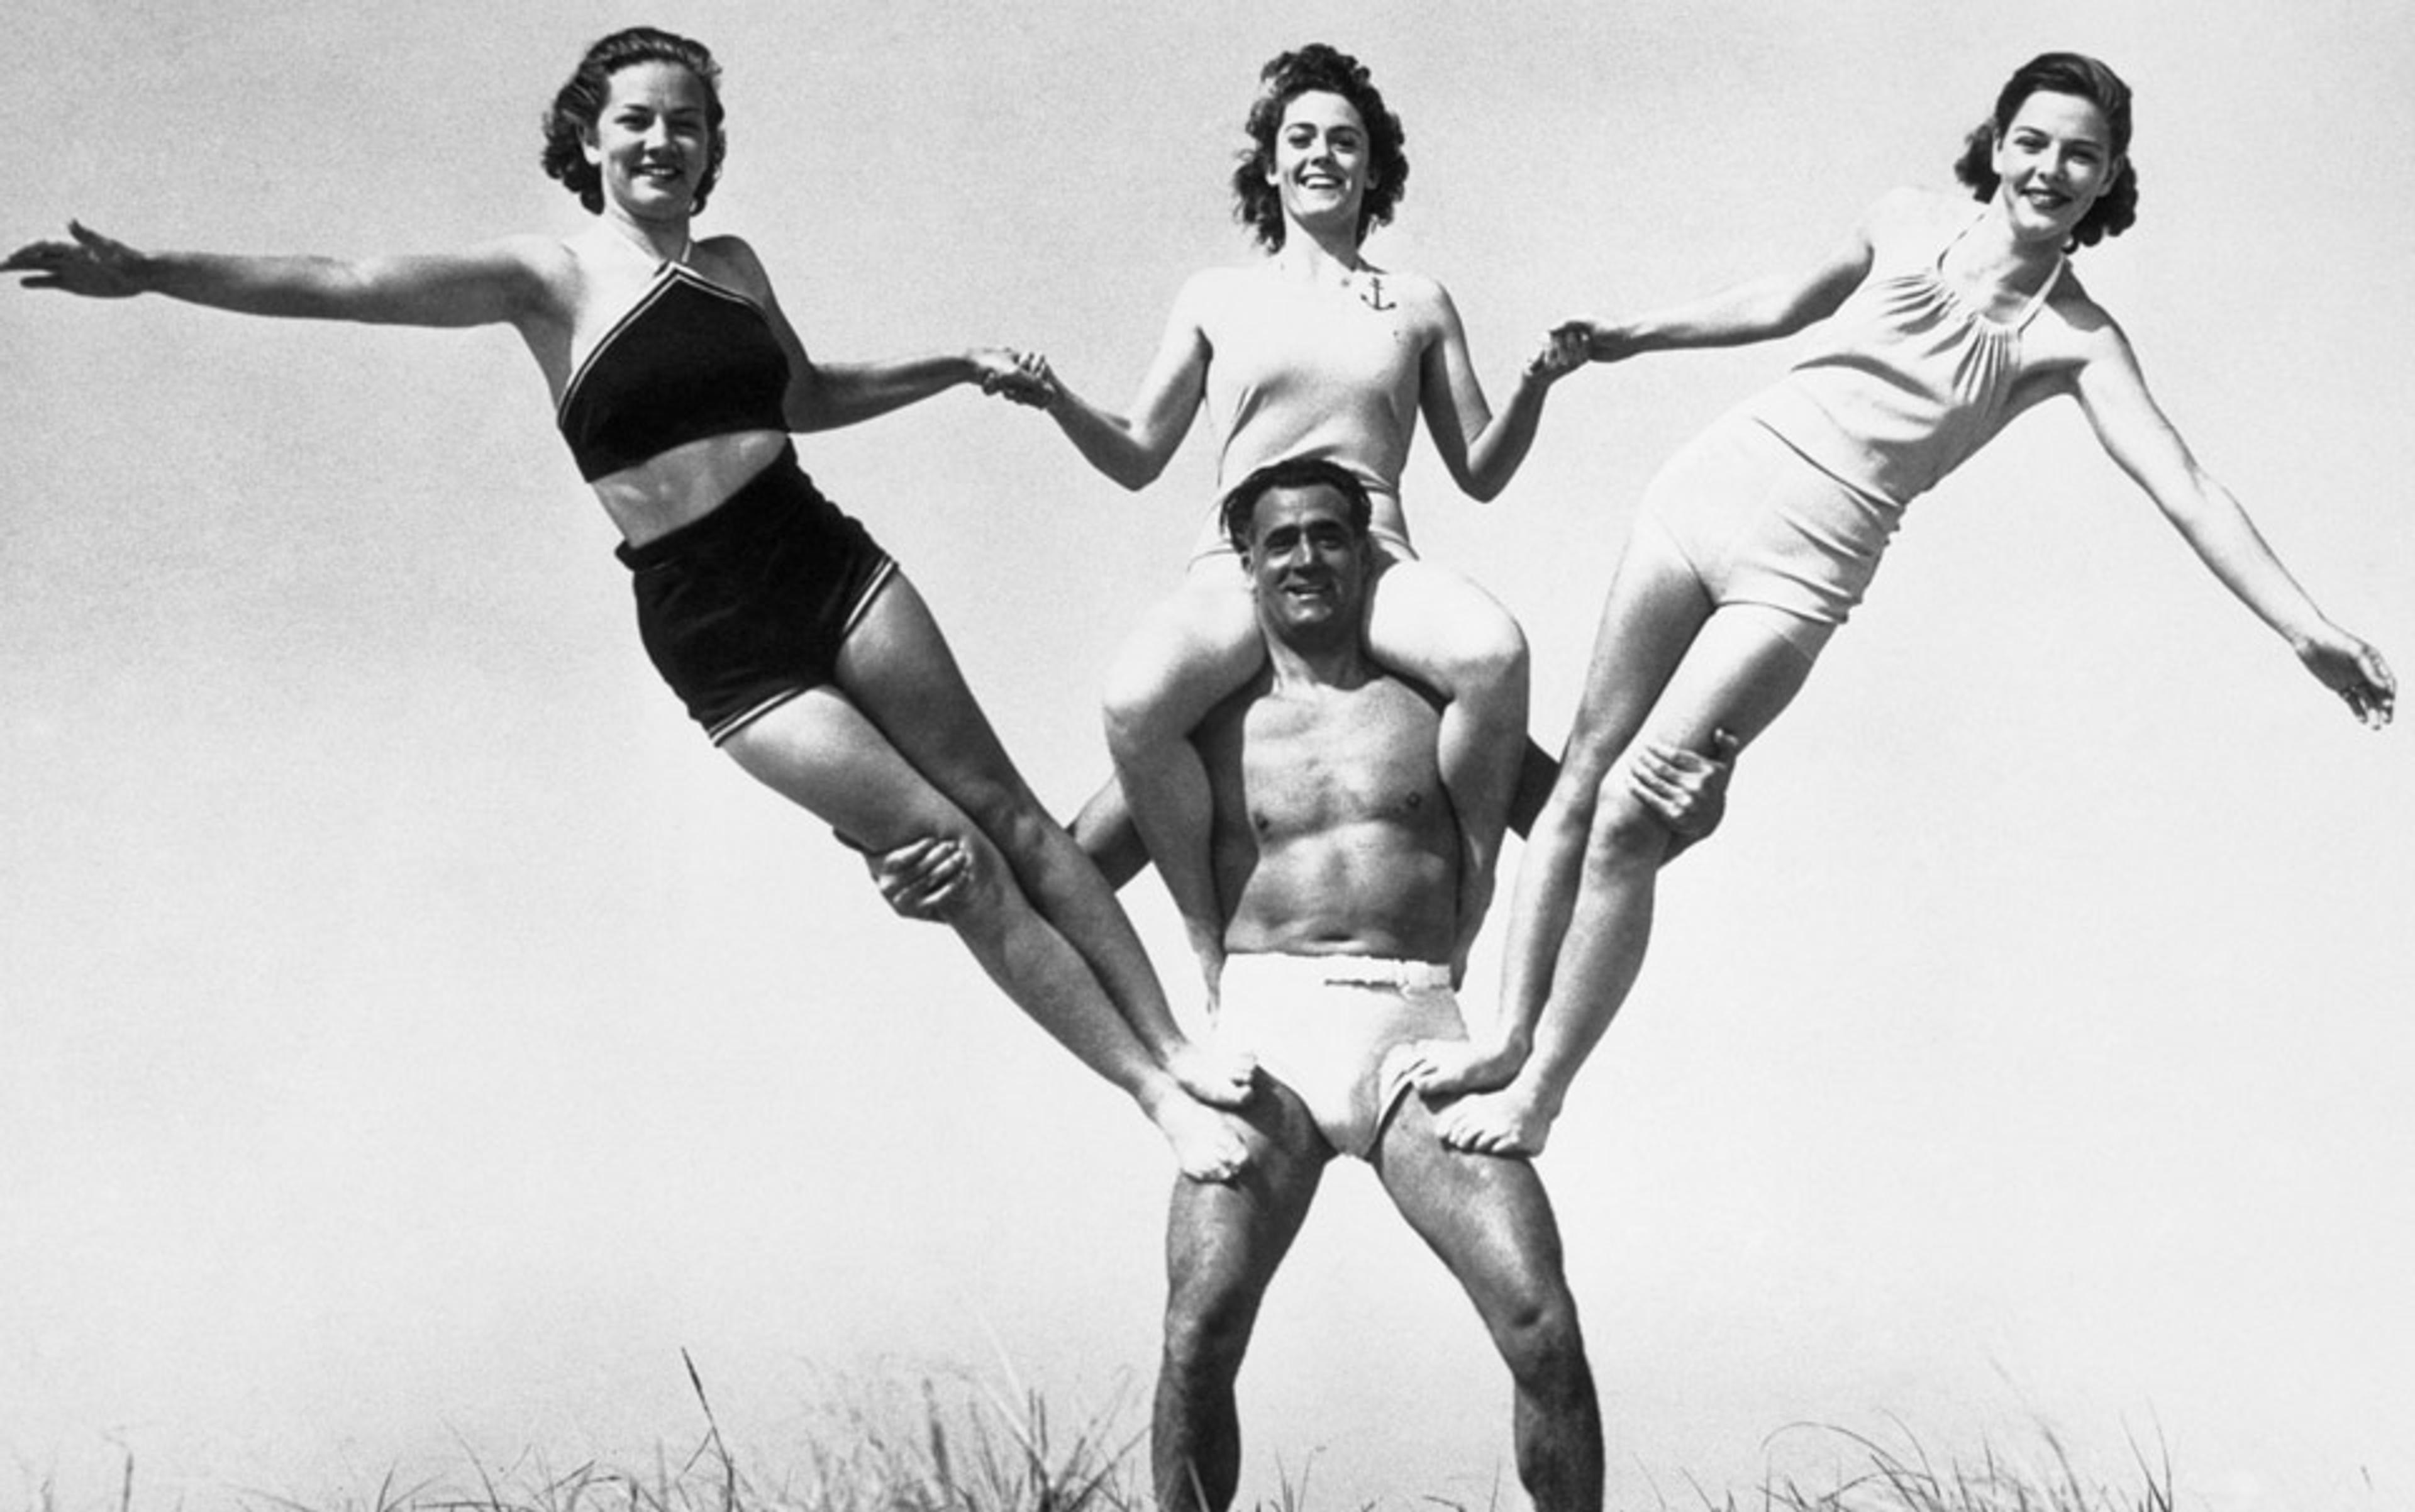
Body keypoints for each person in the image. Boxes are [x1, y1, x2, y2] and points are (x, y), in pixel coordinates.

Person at [1, 25, 1257, 1182]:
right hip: (713, 627)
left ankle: (1182, 1042)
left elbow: (805, 394)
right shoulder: (545, 279)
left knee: (1018, 817)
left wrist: (951, 363)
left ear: (711, 149)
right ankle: (1153, 1093)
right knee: (957, 861)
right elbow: (348, 277)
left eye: (686, 125)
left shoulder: (732, 265)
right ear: (587, 139)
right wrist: (158, 272)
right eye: (636, 122)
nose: (662, 142)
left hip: (819, 553)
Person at [1401, 51, 2397, 1157]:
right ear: (1999, 140)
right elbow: (1780, 304)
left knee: (1643, 809)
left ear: (2111, 180)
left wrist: (2307, 626)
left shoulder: (2077, 340)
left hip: (1806, 569)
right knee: (1585, 767)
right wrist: (1629, 336)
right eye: (2033, 140)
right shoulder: (1905, 214)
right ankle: (1498, 1038)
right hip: (1707, 486)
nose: (2051, 168)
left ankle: (1538, 1090)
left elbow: (2189, 490)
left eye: (2082, 155)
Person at [876, 456, 1733, 1512]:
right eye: (1280, 541)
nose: (1306, 558)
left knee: (1539, 1320)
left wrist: (1686, 815)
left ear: (1367, 555)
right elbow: (1059, 873)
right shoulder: (1201, 732)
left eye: (1330, 535)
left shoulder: (1439, 704)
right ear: (1246, 565)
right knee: (1199, 1329)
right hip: (1265, 1035)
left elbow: (1594, 840)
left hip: (1415, 1028)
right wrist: (927, 877)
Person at [1012, 43, 1587, 988]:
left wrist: (1536, 383)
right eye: (1302, 138)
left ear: (1374, 167)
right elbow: (1137, 454)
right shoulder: (1216, 296)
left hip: (1376, 559)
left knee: (1494, 655)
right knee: (1134, 703)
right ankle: (1205, 940)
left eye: (1346, 141)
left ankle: (1473, 906)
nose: (1323, 155)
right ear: (1270, 163)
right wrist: (1057, 400)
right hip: (1237, 564)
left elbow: (1480, 470)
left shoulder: (1417, 301)